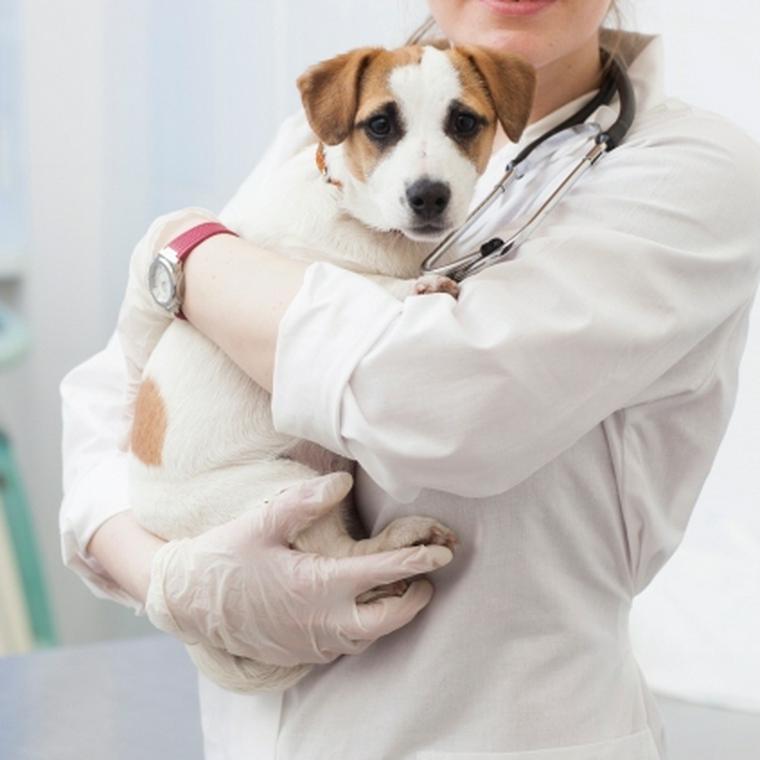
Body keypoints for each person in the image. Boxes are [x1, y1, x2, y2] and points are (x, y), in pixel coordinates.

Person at [60, 1, 760, 758]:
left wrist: (187, 253)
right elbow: (115, 396)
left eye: (466, 125)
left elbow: (437, 408)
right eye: (385, 131)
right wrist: (166, 575)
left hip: (499, 730)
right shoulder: (330, 123)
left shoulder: (691, 169)